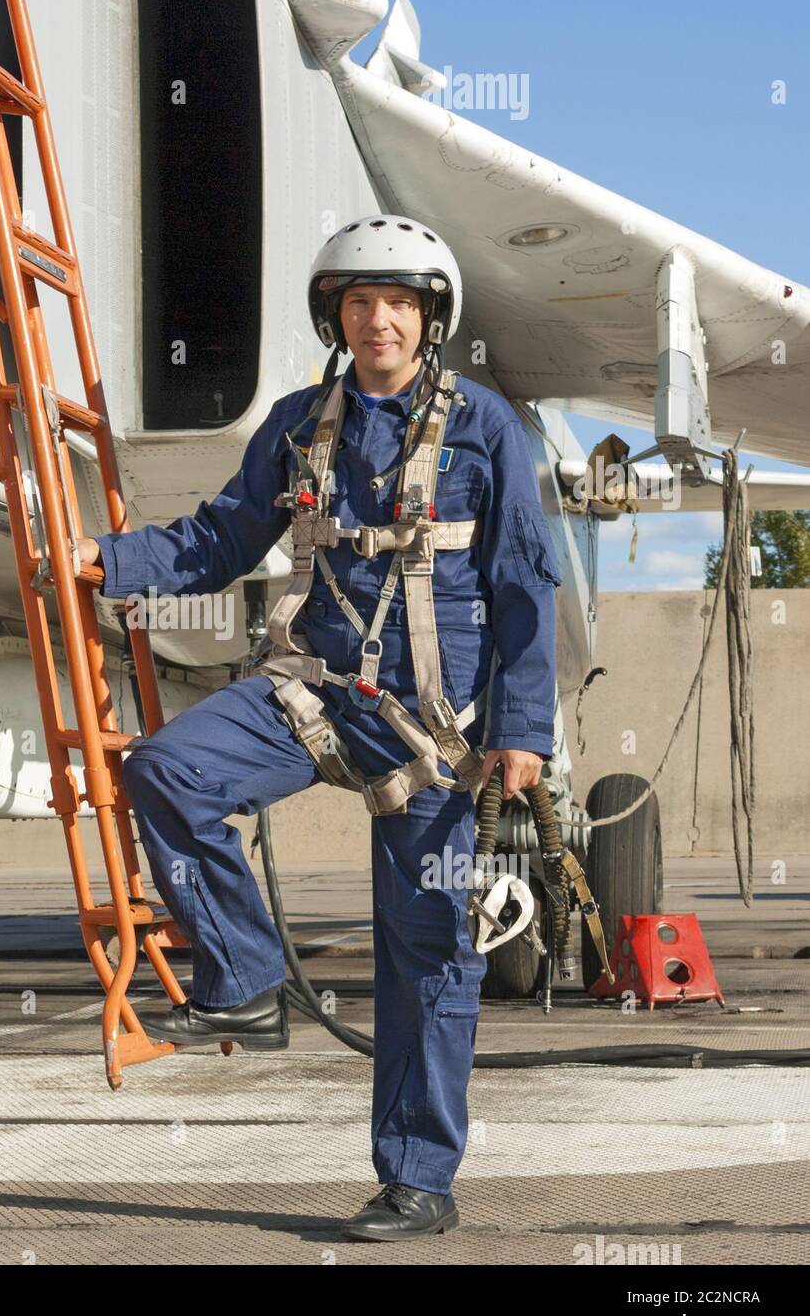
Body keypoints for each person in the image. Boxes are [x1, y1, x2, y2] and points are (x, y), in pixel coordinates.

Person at [75, 215, 562, 1241]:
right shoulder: (300, 425)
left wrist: (523, 730)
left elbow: (524, 583)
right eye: (359, 301)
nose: (379, 318)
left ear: (429, 318)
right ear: (335, 317)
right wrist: (111, 565)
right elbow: (222, 538)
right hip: (312, 694)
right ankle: (246, 976)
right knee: (168, 771)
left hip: (437, 731)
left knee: (426, 950)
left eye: (398, 302)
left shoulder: (487, 428)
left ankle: (418, 1179)